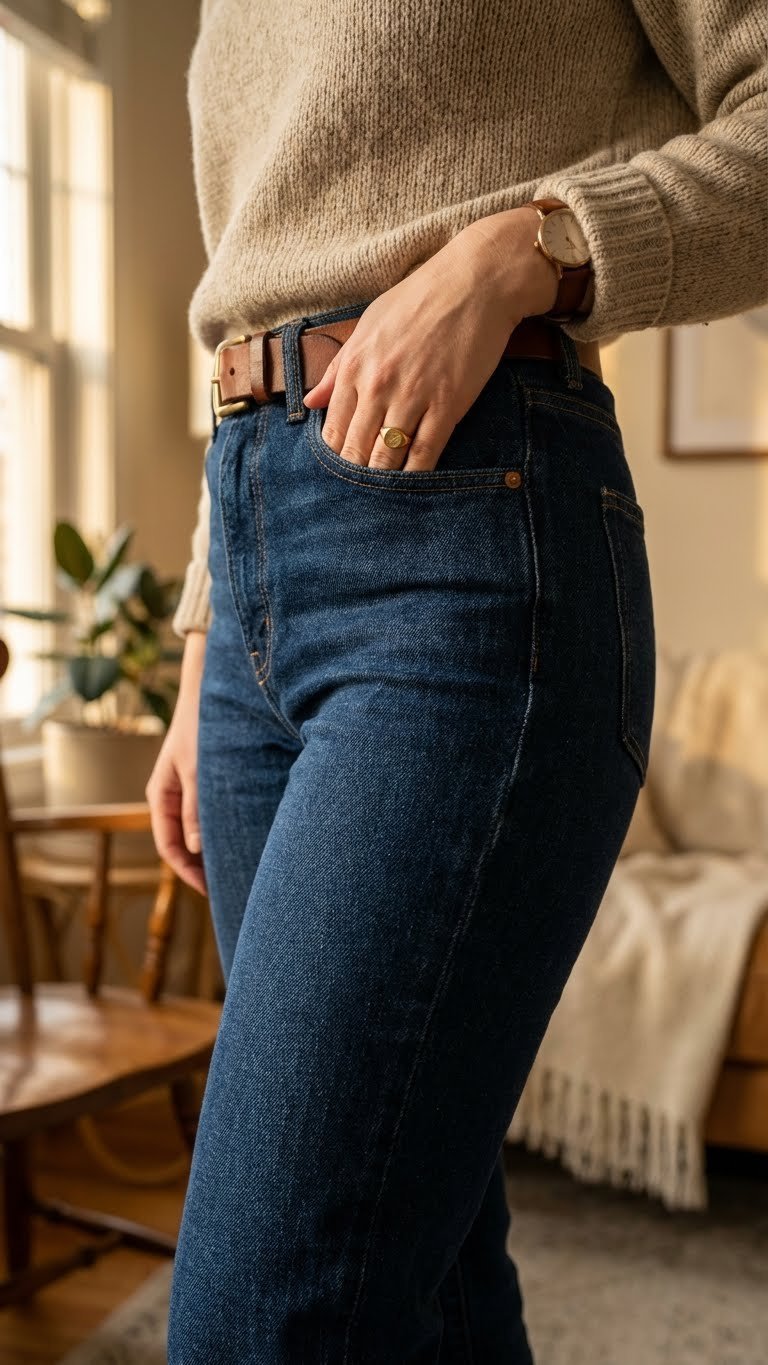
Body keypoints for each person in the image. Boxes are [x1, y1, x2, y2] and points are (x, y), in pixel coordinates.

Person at [145, 1, 767, 1360]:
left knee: (266, 1316)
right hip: (251, 566)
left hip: (471, 547)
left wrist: (529, 245)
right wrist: (205, 653)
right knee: (418, 1273)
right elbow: (253, 285)